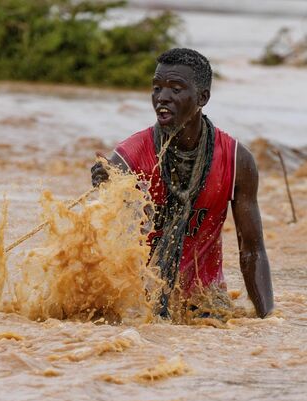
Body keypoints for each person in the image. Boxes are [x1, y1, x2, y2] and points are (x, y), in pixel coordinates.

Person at [91, 48, 274, 319]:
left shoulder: (237, 160)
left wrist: (268, 320)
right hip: (141, 301)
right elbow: (103, 244)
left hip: (205, 300)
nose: (162, 98)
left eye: (176, 89)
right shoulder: (130, 157)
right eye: (157, 88)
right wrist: (106, 186)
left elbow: (252, 250)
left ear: (203, 97)